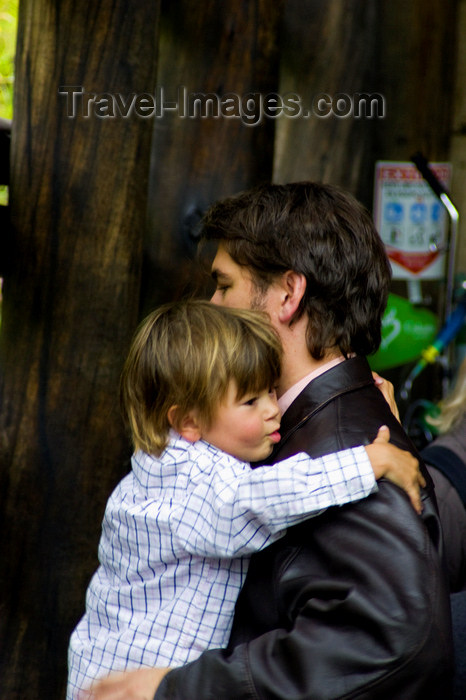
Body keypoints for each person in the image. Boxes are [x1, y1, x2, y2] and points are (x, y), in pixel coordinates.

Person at [91, 182, 454, 700]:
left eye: (223, 285)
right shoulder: (312, 426)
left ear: (288, 295)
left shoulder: (348, 444)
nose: (211, 305)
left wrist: (177, 689)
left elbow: (395, 642)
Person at [67, 299, 420, 699]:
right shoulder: (196, 486)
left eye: (272, 390)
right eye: (251, 402)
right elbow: (264, 498)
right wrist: (367, 462)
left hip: (105, 666)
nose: (274, 410)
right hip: (134, 686)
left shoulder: (164, 463)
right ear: (188, 421)